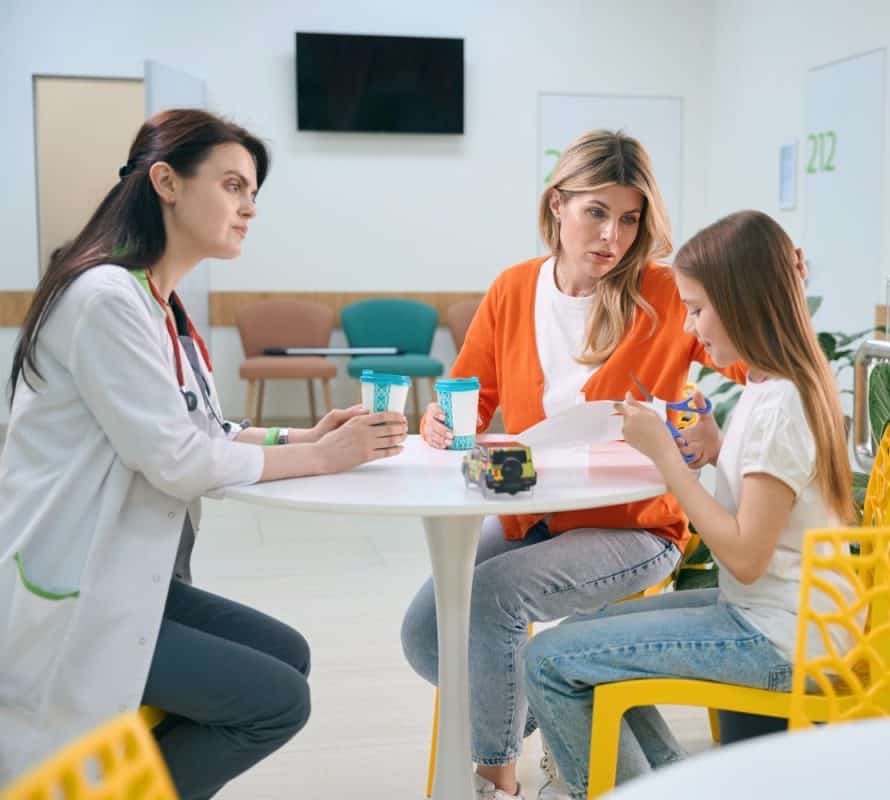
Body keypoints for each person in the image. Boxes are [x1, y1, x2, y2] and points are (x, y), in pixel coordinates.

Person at [0, 109, 407, 798]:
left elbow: (199, 426)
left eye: (252, 193)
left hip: (127, 572)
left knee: (289, 656)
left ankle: (105, 780)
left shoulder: (157, 303)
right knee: (276, 701)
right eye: (232, 185)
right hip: (77, 588)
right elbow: (179, 461)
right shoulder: (106, 299)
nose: (248, 208)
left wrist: (299, 437)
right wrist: (326, 458)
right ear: (166, 181)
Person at [402, 130, 743, 800]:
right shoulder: (513, 289)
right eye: (596, 212)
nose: (611, 236)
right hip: (534, 517)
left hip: (636, 528)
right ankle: (565, 716)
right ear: (558, 204)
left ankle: (496, 782)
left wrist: (718, 424)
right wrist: (438, 421)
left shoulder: (667, 293)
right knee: (426, 631)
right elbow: (466, 394)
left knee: (496, 602)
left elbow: (750, 363)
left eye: (629, 219)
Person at [522, 210, 855, 799]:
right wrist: (714, 448)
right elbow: (775, 502)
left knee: (549, 660)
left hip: (779, 636)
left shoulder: (780, 405)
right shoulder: (773, 385)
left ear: (744, 302)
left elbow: (748, 556)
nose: (691, 327)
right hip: (779, 616)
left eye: (698, 308)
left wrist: (670, 463)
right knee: (580, 637)